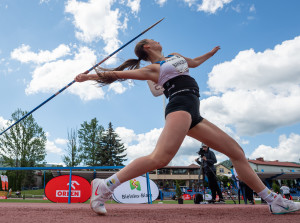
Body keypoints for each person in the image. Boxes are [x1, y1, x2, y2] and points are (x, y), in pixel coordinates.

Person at [75, 39, 300, 215]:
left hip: (194, 112)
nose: (158, 41)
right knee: (159, 159)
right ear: (147, 47)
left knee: (236, 153)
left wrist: (210, 54)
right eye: (153, 40)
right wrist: (87, 77)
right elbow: (117, 74)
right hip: (179, 107)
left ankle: (274, 201)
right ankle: (105, 186)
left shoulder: (175, 56)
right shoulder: (152, 69)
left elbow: (193, 63)